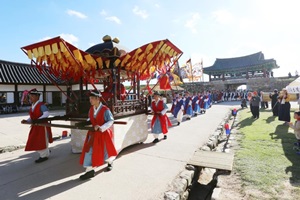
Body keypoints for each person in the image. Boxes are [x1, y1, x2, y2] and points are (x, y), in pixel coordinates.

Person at [79, 90, 118, 180]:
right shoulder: (91, 109)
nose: (90, 100)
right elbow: (90, 118)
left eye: (92, 98)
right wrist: (85, 123)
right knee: (90, 151)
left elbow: (111, 120)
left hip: (103, 133)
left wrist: (101, 127)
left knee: (106, 151)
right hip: (93, 134)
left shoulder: (105, 110)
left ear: (98, 99)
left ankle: (110, 162)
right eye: (90, 98)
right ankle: (90, 171)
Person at [21, 89, 53, 163]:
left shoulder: (41, 105)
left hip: (42, 125)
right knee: (35, 139)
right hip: (36, 125)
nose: (30, 98)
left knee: (41, 140)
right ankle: (46, 152)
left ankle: (44, 155)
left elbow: (46, 113)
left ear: (37, 97)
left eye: (32, 96)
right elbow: (32, 116)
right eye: (30, 96)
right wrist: (27, 120)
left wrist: (38, 120)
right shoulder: (33, 105)